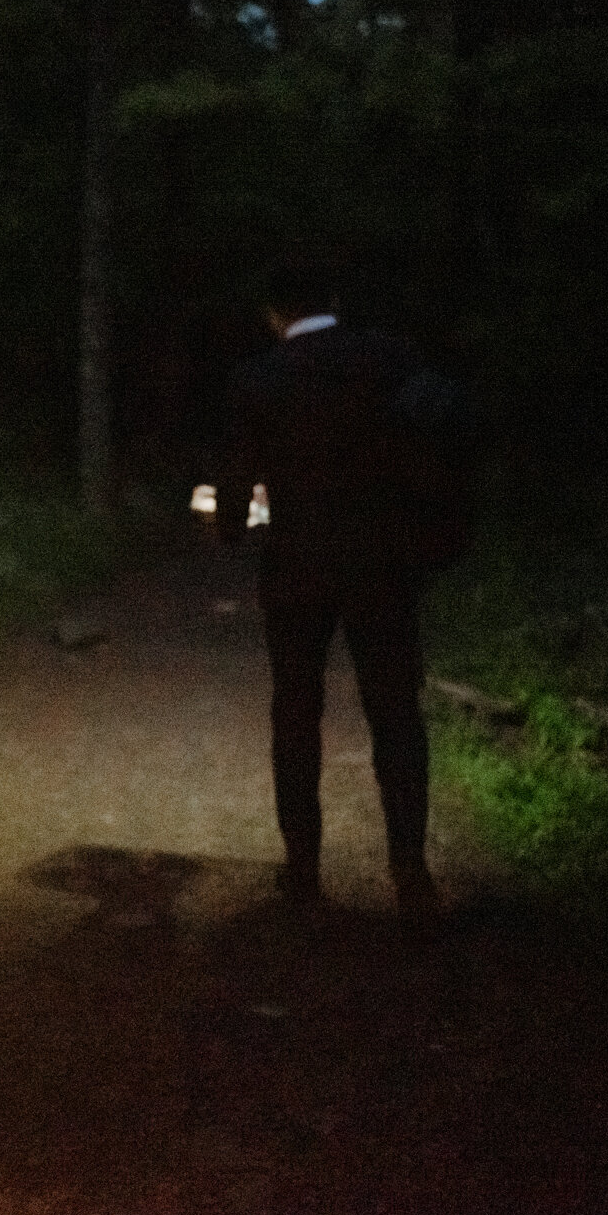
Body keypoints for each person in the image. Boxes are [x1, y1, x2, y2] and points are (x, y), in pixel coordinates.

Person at [217, 256, 471, 911]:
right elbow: (444, 423)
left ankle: (303, 867)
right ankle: (409, 869)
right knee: (395, 714)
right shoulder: (391, 358)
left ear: (274, 314)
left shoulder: (258, 379)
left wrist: (227, 524)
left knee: (296, 711)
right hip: (384, 565)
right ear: (333, 300)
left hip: (297, 568)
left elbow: (238, 482)